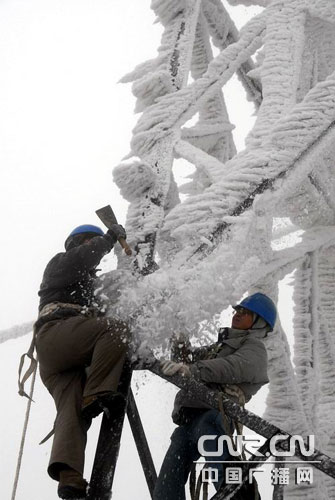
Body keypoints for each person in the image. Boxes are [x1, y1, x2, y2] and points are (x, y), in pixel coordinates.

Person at [34, 223, 131, 499]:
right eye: (90, 242)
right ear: (76, 243)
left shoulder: (87, 285)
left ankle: (70, 478)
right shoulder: (61, 264)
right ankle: (98, 394)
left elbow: (116, 289)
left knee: (71, 411)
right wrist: (110, 238)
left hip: (60, 355)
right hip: (57, 335)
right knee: (115, 328)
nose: (95, 246)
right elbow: (86, 256)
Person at [154, 292, 277, 500]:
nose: (238, 314)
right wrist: (178, 331)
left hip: (214, 415)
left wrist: (191, 369)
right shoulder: (221, 347)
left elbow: (230, 367)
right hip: (188, 422)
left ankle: (242, 496)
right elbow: (187, 359)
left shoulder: (255, 348)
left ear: (259, 323)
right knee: (166, 486)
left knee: (226, 478)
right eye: (237, 310)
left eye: (245, 312)